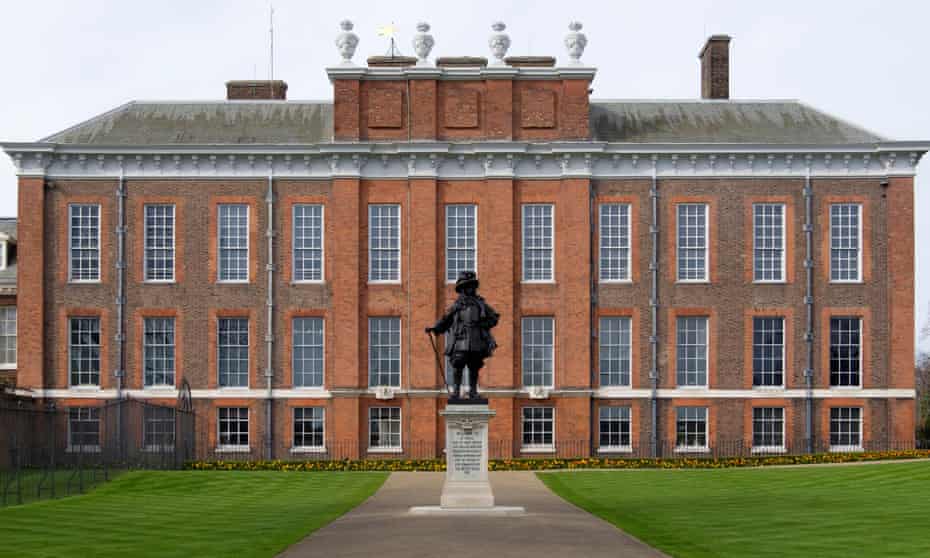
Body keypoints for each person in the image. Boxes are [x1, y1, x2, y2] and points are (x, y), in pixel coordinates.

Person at [426, 271, 499, 400]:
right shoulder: (457, 306)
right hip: (460, 339)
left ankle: (473, 391)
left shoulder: (480, 304)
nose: (469, 289)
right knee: (458, 364)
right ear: (462, 289)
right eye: (466, 286)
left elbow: (494, 317)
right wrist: (435, 328)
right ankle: (456, 391)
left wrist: (482, 324)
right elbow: (446, 319)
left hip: (476, 339)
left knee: (474, 366)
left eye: (471, 286)